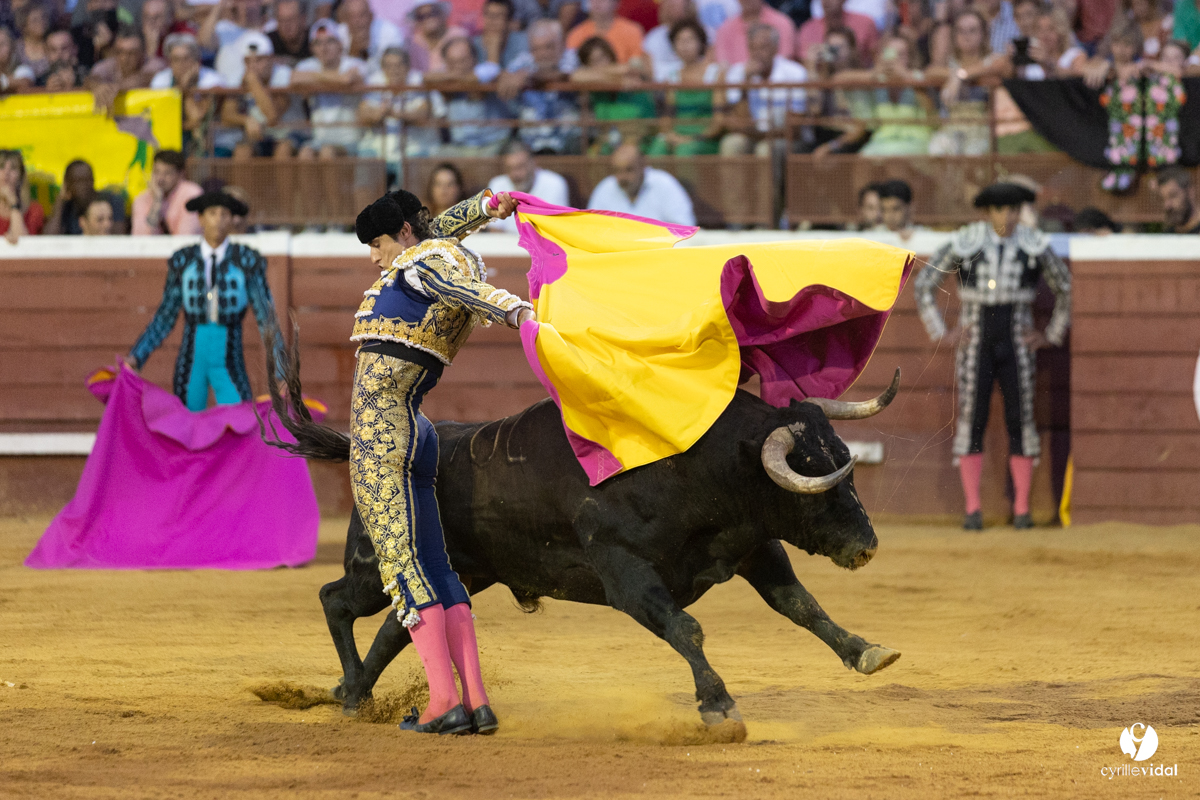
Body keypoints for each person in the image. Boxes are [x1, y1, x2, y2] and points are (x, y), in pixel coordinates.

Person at [347, 187, 531, 734]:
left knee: (405, 569)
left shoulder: (424, 267)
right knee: (440, 569)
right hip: (416, 427)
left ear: (402, 234)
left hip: (383, 432)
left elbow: (460, 289)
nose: (374, 257)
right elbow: (441, 238)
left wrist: (518, 311)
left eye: (378, 243)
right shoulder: (440, 251)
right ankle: (476, 702)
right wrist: (485, 206)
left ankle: (442, 702)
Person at [914, 182, 1072, 531]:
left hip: (1017, 340)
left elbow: (1065, 288)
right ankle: (973, 509)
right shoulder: (965, 242)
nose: (1007, 216)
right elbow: (924, 283)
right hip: (975, 343)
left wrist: (1049, 335)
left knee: (1021, 420)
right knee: (973, 420)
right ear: (988, 212)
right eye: (1000, 209)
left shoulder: (1033, 244)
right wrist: (943, 332)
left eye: (1013, 208)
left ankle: (1021, 509)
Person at [126, 190, 285, 412]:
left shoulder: (247, 261)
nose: (218, 220)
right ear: (200, 218)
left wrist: (281, 371)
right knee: (186, 424)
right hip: (192, 361)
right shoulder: (183, 261)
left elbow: (266, 319)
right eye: (212, 213)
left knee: (240, 421)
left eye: (224, 214)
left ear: (232, 219)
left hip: (230, 360)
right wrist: (137, 356)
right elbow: (164, 318)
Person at [719, 24, 807, 157]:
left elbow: (795, 126)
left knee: (764, 150)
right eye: (753, 48)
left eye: (763, 47)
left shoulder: (795, 73)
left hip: (785, 138)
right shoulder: (738, 73)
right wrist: (746, 85)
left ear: (775, 48)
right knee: (731, 143)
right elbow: (737, 121)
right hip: (751, 134)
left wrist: (761, 134)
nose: (757, 53)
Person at [500, 19, 582, 154]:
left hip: (568, 141)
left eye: (549, 46)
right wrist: (509, 77)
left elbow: (567, 74)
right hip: (530, 142)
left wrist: (530, 76)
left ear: (562, 44)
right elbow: (504, 76)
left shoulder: (574, 57)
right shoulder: (524, 60)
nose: (542, 54)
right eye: (536, 48)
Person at [220, 31, 307, 160]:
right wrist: (246, 120)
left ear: (271, 58)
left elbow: (272, 116)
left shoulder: (283, 75)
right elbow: (226, 115)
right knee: (242, 151)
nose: (253, 66)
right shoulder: (240, 78)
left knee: (283, 150)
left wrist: (254, 83)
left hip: (290, 133)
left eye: (259, 60)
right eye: (248, 61)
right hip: (262, 135)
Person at [647, 18, 725, 155]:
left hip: (704, 138)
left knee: (684, 151)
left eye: (690, 40)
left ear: (701, 43)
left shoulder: (715, 74)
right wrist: (671, 135)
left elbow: (718, 122)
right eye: (679, 40)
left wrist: (693, 138)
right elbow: (667, 117)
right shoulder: (672, 77)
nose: (684, 45)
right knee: (657, 149)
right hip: (677, 134)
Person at [293, 19, 368, 158]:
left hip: (350, 139)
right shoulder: (307, 65)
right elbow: (295, 79)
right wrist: (334, 79)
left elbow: (349, 79)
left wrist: (314, 79)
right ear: (312, 48)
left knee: (327, 152)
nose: (324, 48)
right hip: (320, 139)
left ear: (340, 44)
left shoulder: (355, 64)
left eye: (330, 41)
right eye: (318, 43)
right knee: (305, 153)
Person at [432, 37, 514, 157]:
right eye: (453, 62)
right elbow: (427, 78)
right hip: (460, 146)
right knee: (437, 156)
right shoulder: (443, 75)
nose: (458, 66)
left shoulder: (486, 69)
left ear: (474, 59)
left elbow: (485, 73)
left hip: (494, 144)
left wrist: (456, 79)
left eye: (463, 60)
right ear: (446, 62)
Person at [150, 33, 226, 156]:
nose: (181, 64)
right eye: (176, 59)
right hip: (168, 139)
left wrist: (187, 88)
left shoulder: (213, 80)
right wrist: (183, 87)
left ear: (197, 59)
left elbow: (198, 119)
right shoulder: (160, 80)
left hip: (210, 143)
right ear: (170, 62)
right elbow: (162, 115)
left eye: (186, 58)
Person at [587, 141, 697, 225]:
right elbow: (591, 229)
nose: (623, 177)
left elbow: (684, 227)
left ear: (643, 165)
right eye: (617, 171)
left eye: (629, 170)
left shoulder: (664, 183)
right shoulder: (605, 188)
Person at [486, 140, 570, 232]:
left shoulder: (554, 184)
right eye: (510, 169)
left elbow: (556, 229)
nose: (515, 174)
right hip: (506, 244)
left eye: (520, 167)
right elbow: (495, 231)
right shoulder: (497, 184)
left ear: (533, 163)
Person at [44, 160, 128, 236]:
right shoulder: (66, 206)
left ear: (93, 180)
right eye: (77, 181)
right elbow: (48, 239)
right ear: (67, 184)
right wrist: (59, 201)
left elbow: (118, 238)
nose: (83, 186)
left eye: (87, 180)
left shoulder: (111, 200)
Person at [130, 150, 203, 236]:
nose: (160, 179)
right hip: (152, 249)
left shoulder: (191, 194)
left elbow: (186, 236)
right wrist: (156, 202)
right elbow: (139, 239)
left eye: (167, 173)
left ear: (181, 174)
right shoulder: (141, 199)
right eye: (157, 172)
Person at [713, 0, 795, 67]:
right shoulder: (725, 29)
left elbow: (784, 62)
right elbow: (723, 65)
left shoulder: (782, 23)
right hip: (737, 84)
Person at [795, 0, 877, 67]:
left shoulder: (865, 23)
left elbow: (877, 59)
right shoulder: (808, 28)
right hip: (821, 81)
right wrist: (811, 65)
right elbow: (802, 65)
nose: (827, 1)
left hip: (860, 80)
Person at [565, 0, 647, 65]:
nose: (597, 2)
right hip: (587, 84)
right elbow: (570, 68)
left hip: (622, 84)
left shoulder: (632, 31)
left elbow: (637, 66)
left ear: (616, 3)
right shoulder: (576, 33)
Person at [407, 0, 467, 73]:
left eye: (432, 13)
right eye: (421, 17)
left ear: (442, 13)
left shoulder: (457, 35)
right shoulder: (415, 42)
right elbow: (415, 74)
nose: (428, 19)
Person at [341, 0, 405, 66]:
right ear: (345, 19)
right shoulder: (339, 34)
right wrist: (353, 50)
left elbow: (396, 66)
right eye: (352, 17)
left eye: (361, 15)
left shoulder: (390, 32)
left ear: (371, 16)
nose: (357, 21)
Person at [0, 149, 44, 244]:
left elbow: (22, 245)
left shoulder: (34, 211)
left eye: (13, 168)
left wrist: (14, 204)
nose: (6, 173)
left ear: (21, 176)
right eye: (1, 166)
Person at [472, 0, 529, 70]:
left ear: (510, 22)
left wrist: (494, 49)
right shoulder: (473, 44)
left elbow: (521, 76)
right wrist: (493, 51)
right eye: (488, 15)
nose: (491, 21)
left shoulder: (523, 41)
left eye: (498, 16)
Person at [268, 0, 312, 66]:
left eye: (291, 19)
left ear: (303, 19)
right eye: (282, 20)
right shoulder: (268, 42)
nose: (286, 25)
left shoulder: (316, 39)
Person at [1157, 167, 1200, 233]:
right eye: (1163, 199)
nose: (1167, 205)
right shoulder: (1168, 236)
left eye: (1173, 196)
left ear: (1190, 192)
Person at [1, 25, 36, 92]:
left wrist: (3, 82)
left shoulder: (23, 70)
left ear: (12, 47)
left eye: (2, 44)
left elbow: (25, 82)